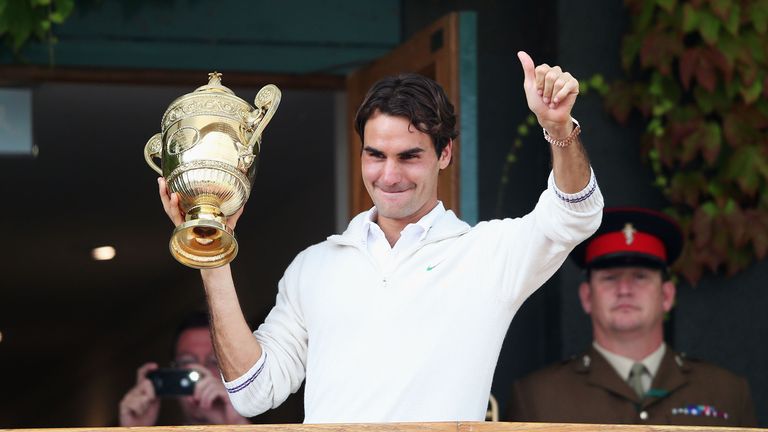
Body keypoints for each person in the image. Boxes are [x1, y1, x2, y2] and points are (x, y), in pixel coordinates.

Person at [157, 51, 604, 423]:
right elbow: (253, 393)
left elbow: (575, 215)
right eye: (376, 156)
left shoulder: (487, 254)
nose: (389, 176)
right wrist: (211, 253)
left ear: (444, 154)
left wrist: (560, 128)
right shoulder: (314, 266)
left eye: (409, 156)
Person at [508, 207, 757, 427]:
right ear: (586, 297)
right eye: (610, 278)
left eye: (640, 277)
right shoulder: (537, 398)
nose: (625, 289)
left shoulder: (726, 392)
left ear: (667, 295)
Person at [119, 311, 250, 426]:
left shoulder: (238, 422)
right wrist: (134, 429)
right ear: (173, 371)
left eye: (214, 362)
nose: (200, 373)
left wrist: (237, 424)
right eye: (187, 362)